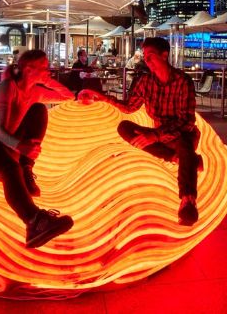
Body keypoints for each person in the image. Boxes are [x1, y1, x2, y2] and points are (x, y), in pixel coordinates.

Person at [78, 37, 202, 226]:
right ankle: (181, 159)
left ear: (164, 55)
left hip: (180, 135)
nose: (147, 61)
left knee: (184, 144)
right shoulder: (145, 81)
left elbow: (186, 121)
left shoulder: (182, 81)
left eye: (151, 56)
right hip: (160, 137)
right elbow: (129, 107)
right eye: (145, 57)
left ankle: (188, 201)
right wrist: (101, 97)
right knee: (124, 128)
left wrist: (155, 135)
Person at [0, 49, 75, 248]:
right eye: (44, 67)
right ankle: (35, 221)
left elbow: (68, 96)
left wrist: (46, 80)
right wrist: (21, 146)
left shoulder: (34, 91)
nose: (48, 70)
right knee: (10, 169)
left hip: (8, 147)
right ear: (28, 69)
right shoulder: (6, 88)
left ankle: (26, 170)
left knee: (38, 109)